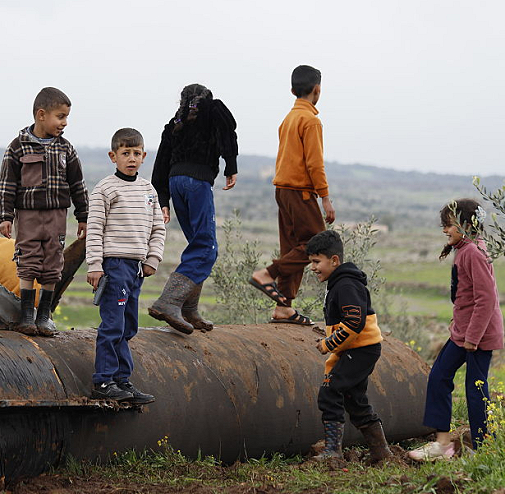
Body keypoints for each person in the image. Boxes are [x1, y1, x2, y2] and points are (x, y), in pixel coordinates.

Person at [409, 199, 504, 461]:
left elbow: (486, 300)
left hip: (478, 336)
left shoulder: (474, 252)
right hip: (462, 333)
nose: (444, 230)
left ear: (465, 225)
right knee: (439, 377)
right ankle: (442, 444)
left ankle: (483, 450)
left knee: (476, 389)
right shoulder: (464, 249)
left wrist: (472, 337)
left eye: (448, 224)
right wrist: (460, 331)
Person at [0, 87, 88, 336]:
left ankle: (44, 315)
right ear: (41, 115)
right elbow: (7, 185)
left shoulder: (66, 149)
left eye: (66, 117)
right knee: (28, 260)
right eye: (60, 117)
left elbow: (78, 184)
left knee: (52, 262)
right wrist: (5, 216)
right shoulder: (17, 147)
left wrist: (83, 216)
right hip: (28, 217)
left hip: (57, 215)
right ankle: (27, 314)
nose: (64, 123)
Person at [148, 83, 238, 334]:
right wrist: (231, 166)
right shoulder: (214, 110)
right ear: (207, 99)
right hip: (197, 184)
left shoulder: (174, 124)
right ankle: (170, 301)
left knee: (197, 244)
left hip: (176, 185)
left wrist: (163, 201)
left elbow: (160, 166)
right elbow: (229, 133)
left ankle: (189, 309)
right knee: (207, 248)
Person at [249, 65, 335, 326]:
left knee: (292, 249)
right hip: (301, 192)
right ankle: (267, 274)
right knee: (318, 243)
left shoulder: (288, 119)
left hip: (282, 191)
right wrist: (325, 197)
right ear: (317, 89)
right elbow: (314, 164)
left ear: (292, 90)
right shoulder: (310, 120)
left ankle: (284, 307)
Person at [86, 128, 166, 402]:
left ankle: (123, 380)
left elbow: (158, 227)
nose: (131, 158)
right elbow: (95, 229)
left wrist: (153, 258)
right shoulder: (105, 189)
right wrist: (95, 265)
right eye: (125, 153)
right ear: (113, 156)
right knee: (112, 324)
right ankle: (104, 382)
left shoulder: (148, 189)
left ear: (144, 156)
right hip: (114, 265)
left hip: (136, 267)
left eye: (136, 153)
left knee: (129, 325)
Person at [307, 230, 390, 462]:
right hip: (357, 349)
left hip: (361, 349)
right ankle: (381, 453)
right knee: (354, 400)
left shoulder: (345, 285)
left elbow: (354, 321)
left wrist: (328, 343)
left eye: (316, 262)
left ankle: (333, 452)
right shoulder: (339, 283)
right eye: (311, 262)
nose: (313, 268)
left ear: (334, 260)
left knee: (330, 392)